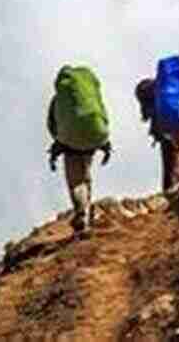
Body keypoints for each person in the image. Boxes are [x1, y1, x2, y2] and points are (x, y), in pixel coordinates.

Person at [47, 65, 111, 236]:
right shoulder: (91, 96)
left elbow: (52, 125)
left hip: (70, 144)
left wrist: (59, 143)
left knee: (76, 181)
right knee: (86, 173)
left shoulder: (59, 100)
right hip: (93, 139)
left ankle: (82, 215)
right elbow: (103, 116)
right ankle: (87, 213)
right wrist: (104, 142)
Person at [134, 75, 179, 192]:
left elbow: (146, 115)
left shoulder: (149, 94)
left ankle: (172, 190)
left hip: (167, 131)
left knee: (170, 163)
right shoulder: (171, 90)